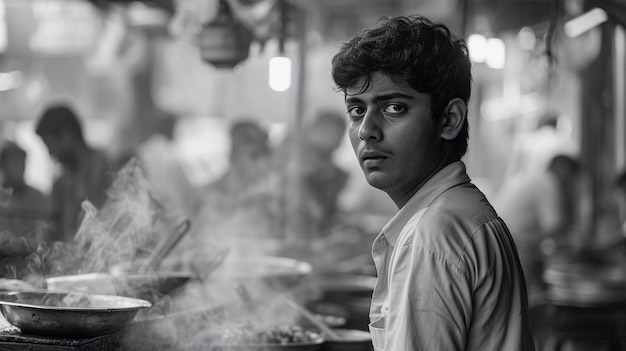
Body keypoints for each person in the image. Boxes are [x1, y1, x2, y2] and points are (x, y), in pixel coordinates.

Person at [331, 14, 534, 350]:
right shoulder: (461, 212)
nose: (367, 130)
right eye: (356, 110)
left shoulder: (430, 238)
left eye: (394, 107)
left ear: (449, 119)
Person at [493, 154, 581, 303]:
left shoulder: (536, 179)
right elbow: (555, 227)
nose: (571, 183)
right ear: (563, 169)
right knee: (520, 298)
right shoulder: (548, 183)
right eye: (572, 177)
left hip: (501, 240)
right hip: (512, 243)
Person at [35, 104, 116, 243]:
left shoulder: (105, 167)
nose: (50, 153)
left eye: (50, 144)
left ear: (67, 136)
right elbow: (56, 233)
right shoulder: (61, 184)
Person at [0, 141, 51, 276]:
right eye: (13, 162)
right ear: (3, 165)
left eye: (21, 162)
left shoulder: (38, 198)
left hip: (30, 268)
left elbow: (46, 235)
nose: (19, 167)